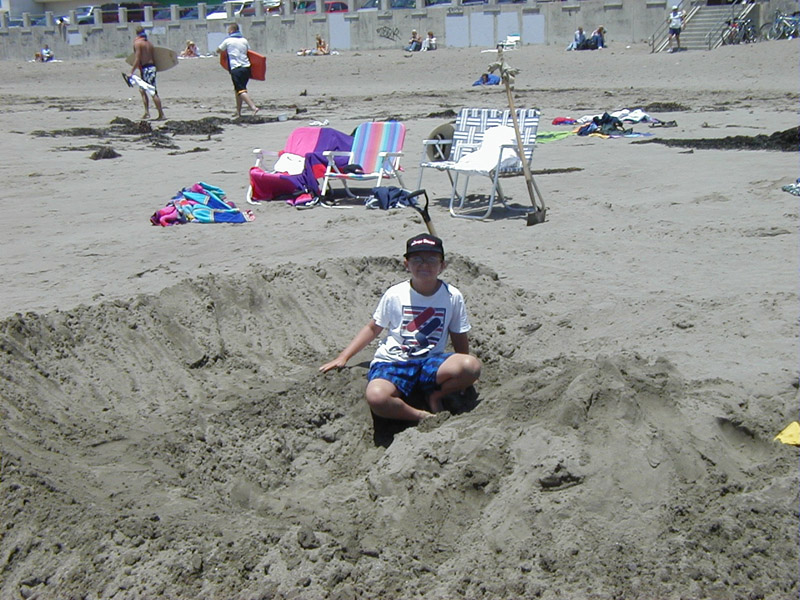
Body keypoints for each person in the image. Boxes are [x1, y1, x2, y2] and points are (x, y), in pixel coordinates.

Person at [320, 234, 482, 422]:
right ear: (406, 264)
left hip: (430, 362)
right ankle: (421, 416)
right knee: (377, 398)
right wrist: (343, 357)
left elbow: (458, 333)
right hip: (394, 361)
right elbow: (373, 328)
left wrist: (465, 377)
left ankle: (435, 395)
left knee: (471, 366)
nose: (424, 265)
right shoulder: (395, 294)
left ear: (442, 265)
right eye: (417, 259)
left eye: (431, 259)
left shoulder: (452, 296)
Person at [215, 24, 260, 118]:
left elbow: (218, 50)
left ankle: (253, 107)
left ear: (232, 30)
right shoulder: (244, 40)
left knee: (241, 90)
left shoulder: (228, 41)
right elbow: (249, 52)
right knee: (238, 90)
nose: (228, 32)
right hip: (246, 68)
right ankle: (238, 112)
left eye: (228, 30)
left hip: (236, 68)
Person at [130, 26, 165, 120]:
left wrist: (131, 72)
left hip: (147, 69)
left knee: (152, 92)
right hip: (150, 68)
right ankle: (146, 113)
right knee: (142, 90)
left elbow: (137, 58)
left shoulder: (138, 43)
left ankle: (161, 114)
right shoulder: (149, 43)